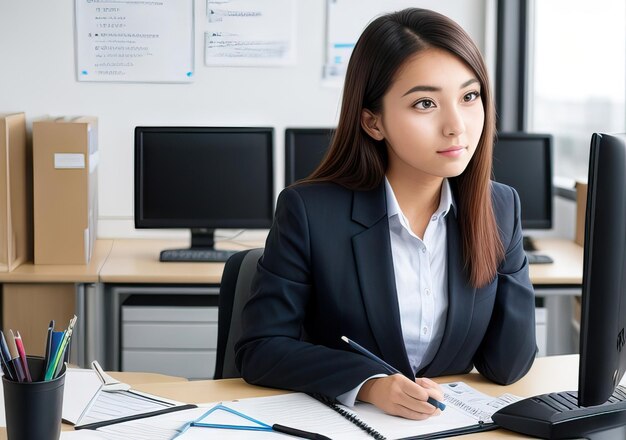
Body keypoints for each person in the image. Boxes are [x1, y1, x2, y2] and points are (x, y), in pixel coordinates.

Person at [235, 7, 536, 421]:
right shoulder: (309, 211)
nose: (457, 126)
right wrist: (371, 385)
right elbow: (260, 348)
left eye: (470, 97)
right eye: (425, 103)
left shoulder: (500, 207)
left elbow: (509, 365)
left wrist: (500, 239)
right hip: (347, 425)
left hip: (447, 426)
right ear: (373, 122)